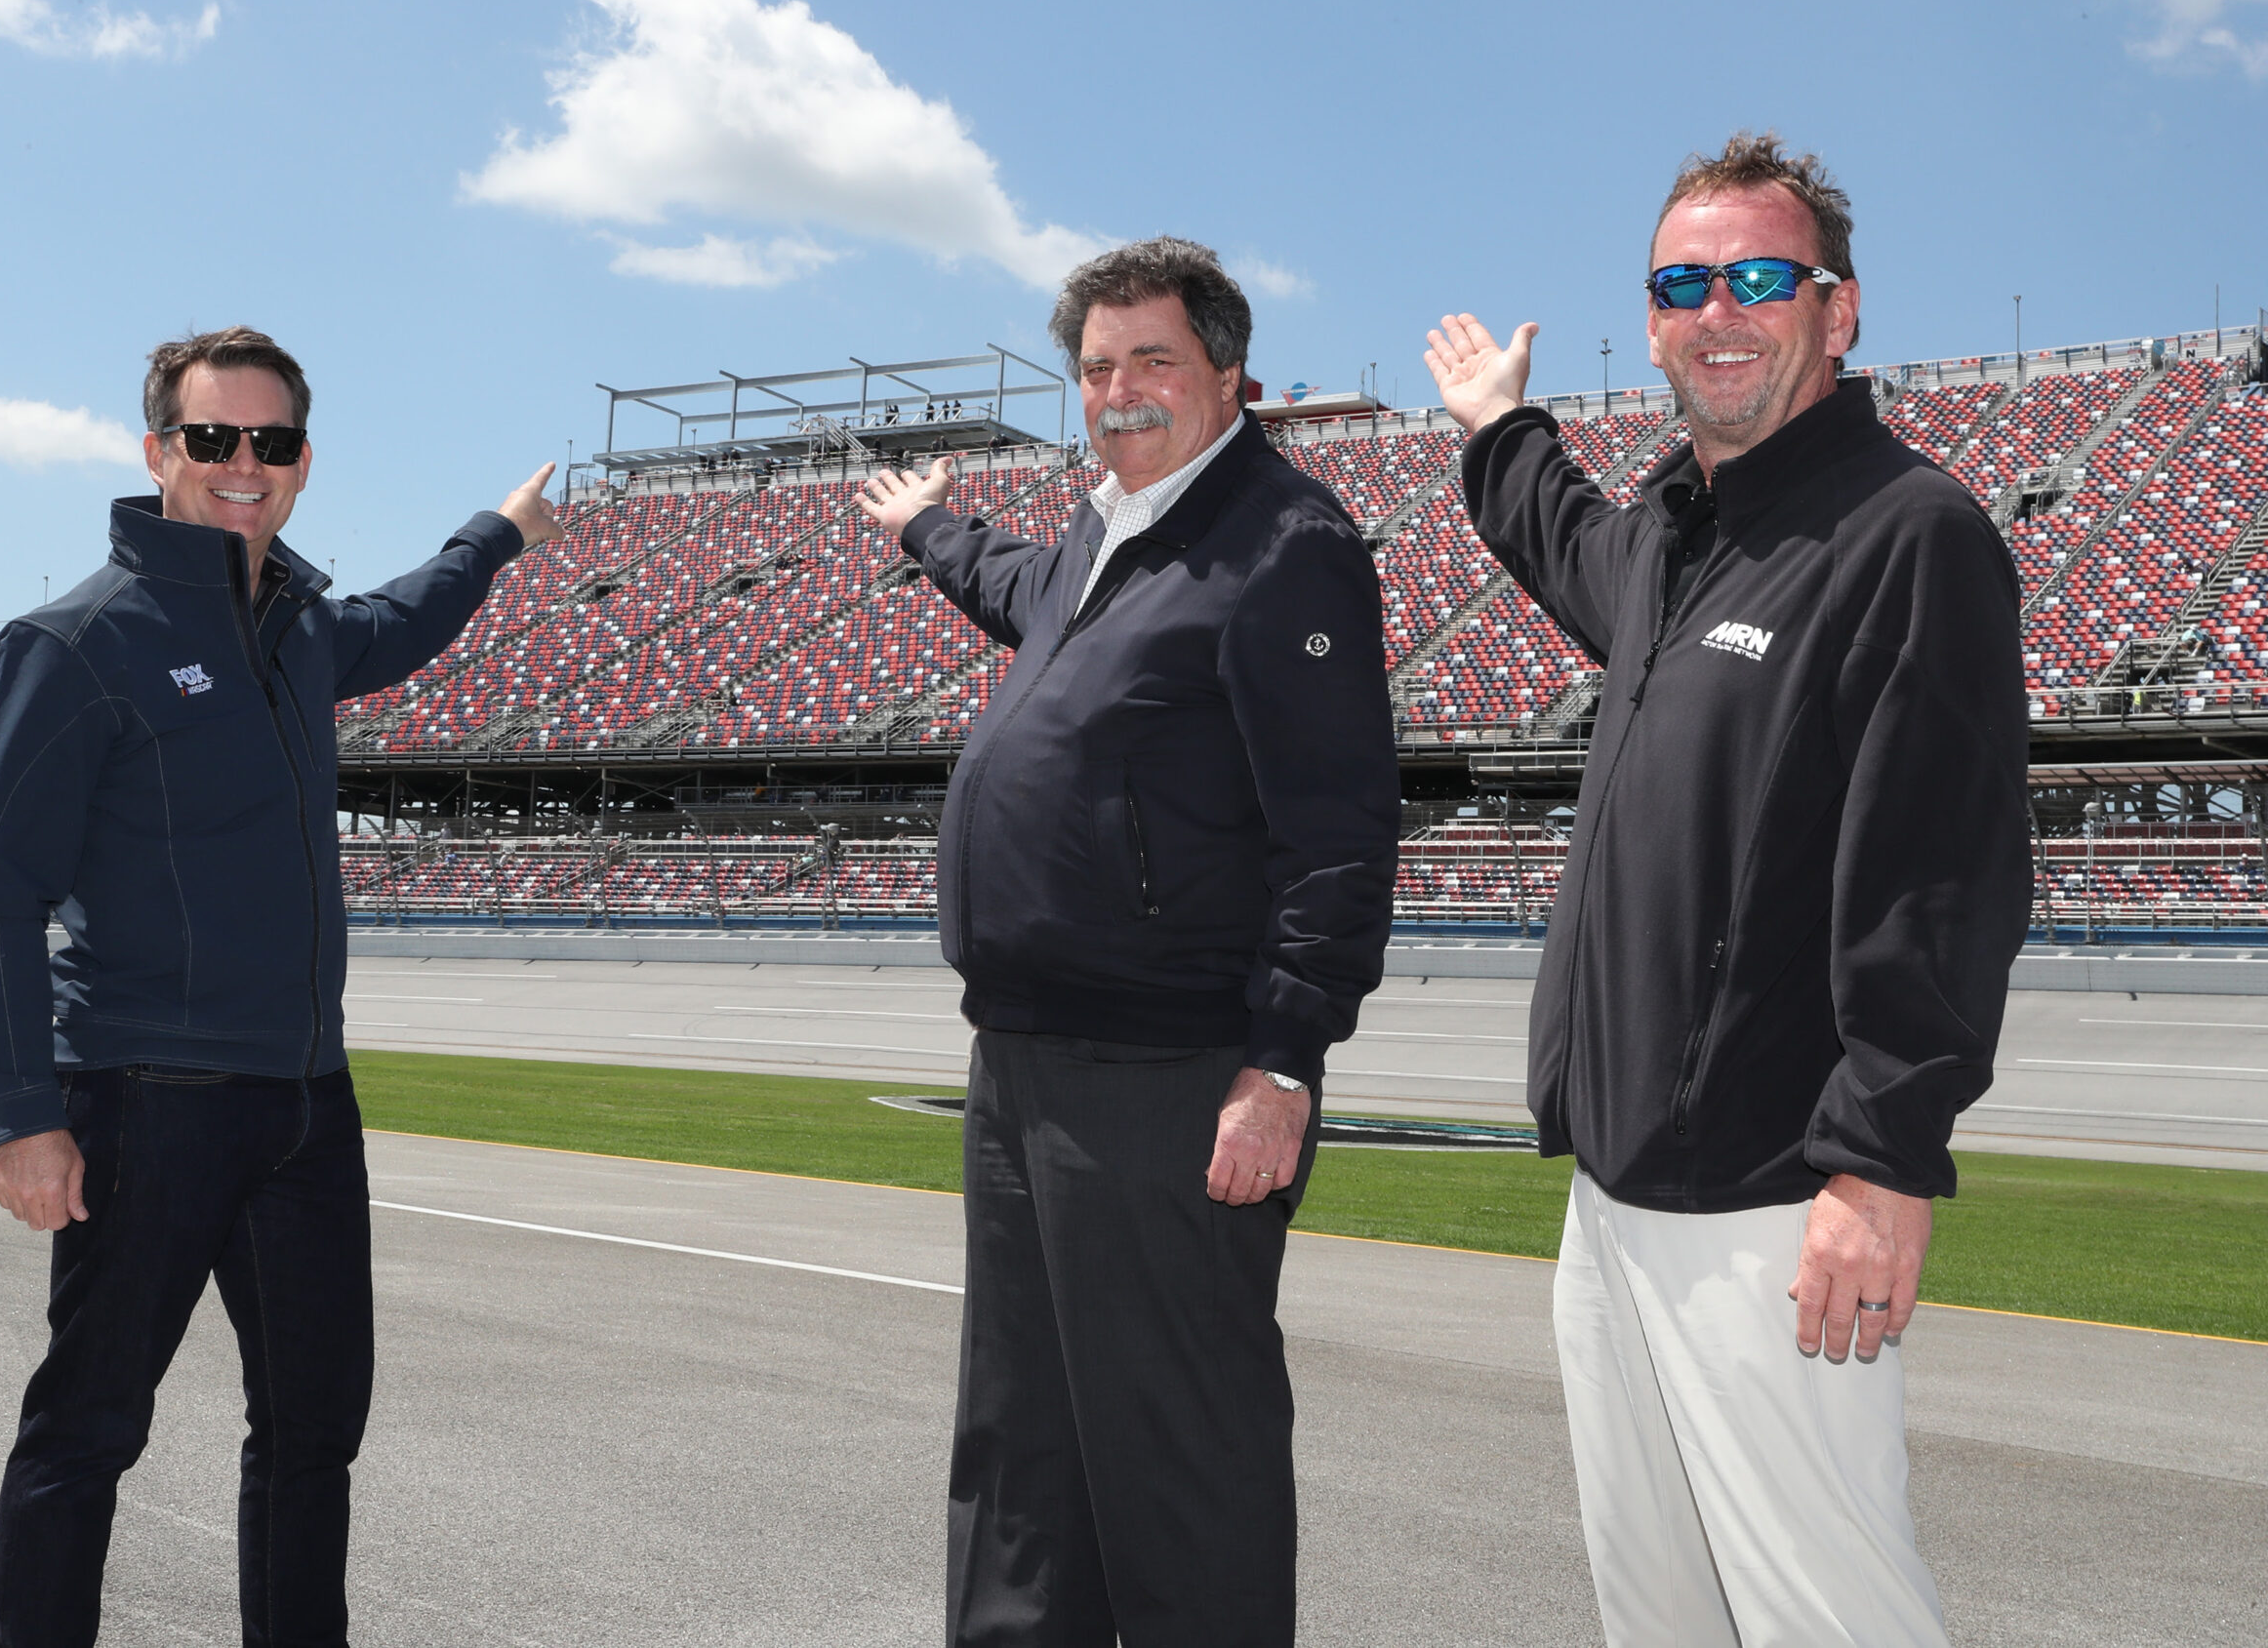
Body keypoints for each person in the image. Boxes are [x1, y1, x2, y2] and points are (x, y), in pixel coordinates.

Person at [1423, 133, 2032, 1647]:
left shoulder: (1909, 536)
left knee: (1834, 1615)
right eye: (1685, 282)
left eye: (1764, 277)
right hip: (1614, 1193)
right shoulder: (1672, 546)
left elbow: (1944, 874)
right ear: (1651, 320)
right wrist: (1499, 425)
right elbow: (1563, 540)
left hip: (1775, 1201)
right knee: (1659, 1613)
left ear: (1841, 311)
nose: (1722, 310)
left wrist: (1881, 1166)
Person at [0, 325, 563, 1647]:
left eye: (271, 443)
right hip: (146, 1096)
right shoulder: (76, 642)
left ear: (302, 462)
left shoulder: (296, 635)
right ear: (158, 451)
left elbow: (409, 616)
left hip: (303, 1104)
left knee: (311, 1437)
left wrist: (498, 533)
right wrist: (21, 1115)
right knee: (88, 1435)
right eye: (213, 438)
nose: (244, 464)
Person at [857, 236, 1399, 1647]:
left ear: (1229, 371)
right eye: (1095, 368)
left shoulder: (1287, 545)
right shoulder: (1103, 536)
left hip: (1169, 1074)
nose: (1119, 390)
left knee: (1178, 1463)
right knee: (1020, 1449)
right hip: (1022, 1061)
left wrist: (1283, 1062)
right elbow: (1009, 583)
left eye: (1153, 359)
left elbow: (1339, 835)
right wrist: (925, 526)